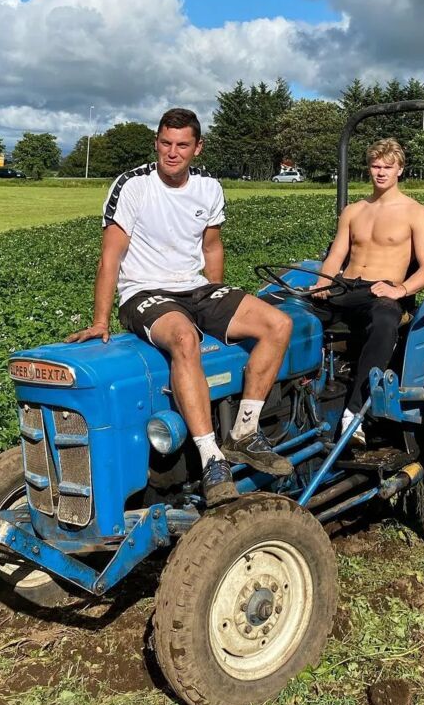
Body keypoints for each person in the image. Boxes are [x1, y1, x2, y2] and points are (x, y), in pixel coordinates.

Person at [66, 107, 294, 505]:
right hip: (144, 292)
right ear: (156, 143)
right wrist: (100, 320)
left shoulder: (208, 187)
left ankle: (245, 430)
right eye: (165, 143)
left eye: (182, 145)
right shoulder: (132, 186)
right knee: (185, 338)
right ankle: (211, 458)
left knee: (278, 323)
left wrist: (219, 298)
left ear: (197, 148)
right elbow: (110, 258)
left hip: (196, 289)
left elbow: (211, 246)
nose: (173, 153)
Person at [315, 138, 424, 440]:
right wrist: (322, 281)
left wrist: (402, 289)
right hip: (347, 287)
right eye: (375, 166)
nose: (380, 172)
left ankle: (353, 414)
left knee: (384, 321)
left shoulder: (415, 212)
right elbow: (335, 256)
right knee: (292, 314)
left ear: (400, 170)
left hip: (383, 292)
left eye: (387, 166)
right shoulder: (354, 211)